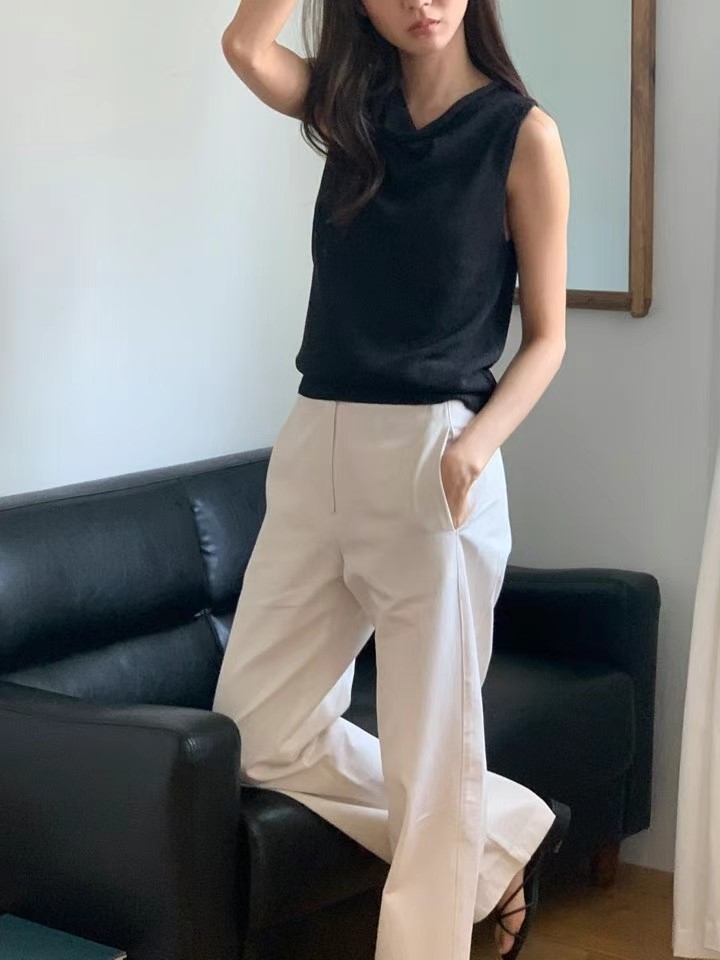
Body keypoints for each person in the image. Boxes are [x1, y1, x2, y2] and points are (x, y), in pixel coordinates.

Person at [213, 1, 571, 958]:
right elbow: (245, 45)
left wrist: (476, 445)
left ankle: (458, 865)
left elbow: (547, 336)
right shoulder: (351, 114)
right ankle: (499, 836)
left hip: (434, 456)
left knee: (431, 757)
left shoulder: (521, 135)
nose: (422, 2)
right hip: (314, 445)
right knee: (255, 732)